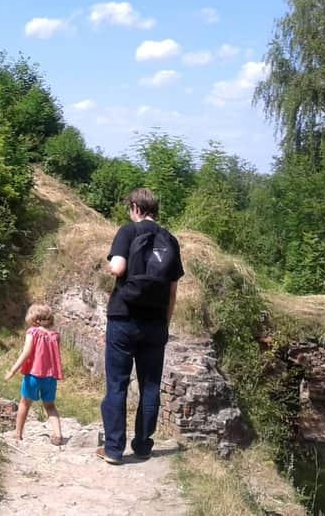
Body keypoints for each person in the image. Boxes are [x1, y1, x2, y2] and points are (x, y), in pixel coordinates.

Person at [96, 188, 184, 465]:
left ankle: (113, 449)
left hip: (123, 318)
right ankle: (143, 446)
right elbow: (172, 292)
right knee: (150, 386)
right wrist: (165, 324)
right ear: (154, 210)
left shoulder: (127, 232)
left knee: (117, 384)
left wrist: (110, 264)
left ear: (135, 207)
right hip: (155, 323)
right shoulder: (170, 240)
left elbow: (118, 269)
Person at [4, 303, 64, 445]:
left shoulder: (33, 332)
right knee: (50, 406)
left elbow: (27, 352)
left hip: (33, 376)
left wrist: (13, 370)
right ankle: (58, 434)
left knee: (25, 403)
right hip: (50, 377)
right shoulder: (55, 336)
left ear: (35, 320)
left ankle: (18, 434)